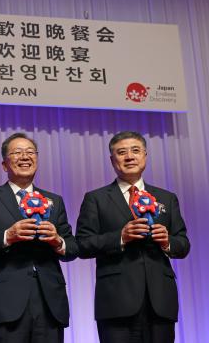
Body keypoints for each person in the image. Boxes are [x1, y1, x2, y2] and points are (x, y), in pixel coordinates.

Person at [75, 131, 190, 343]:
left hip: (161, 302)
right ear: (112, 160)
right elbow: (82, 245)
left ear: (145, 155)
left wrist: (167, 242)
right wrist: (120, 237)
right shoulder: (96, 199)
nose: (129, 156)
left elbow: (183, 244)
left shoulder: (166, 197)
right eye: (122, 152)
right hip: (116, 302)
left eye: (135, 151)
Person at [0, 133, 78, 343]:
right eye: (16, 153)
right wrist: (8, 236)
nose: (24, 157)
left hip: (49, 302)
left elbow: (72, 248)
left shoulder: (54, 200)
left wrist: (57, 241)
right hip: (4, 303)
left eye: (30, 152)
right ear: (4, 165)